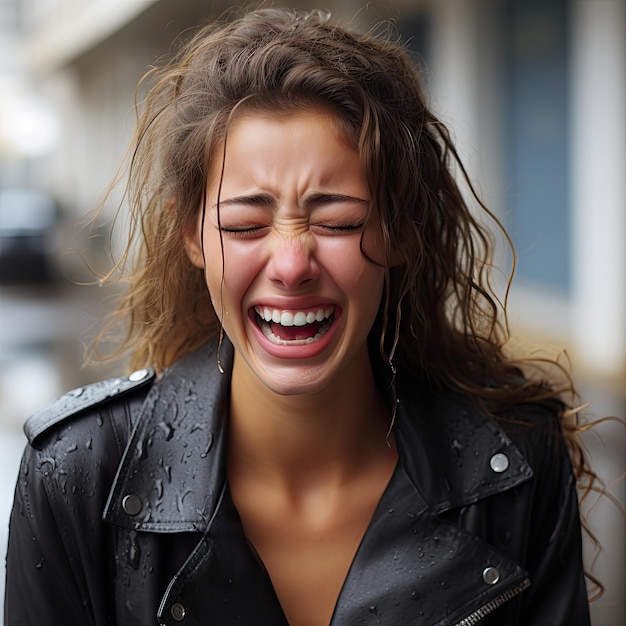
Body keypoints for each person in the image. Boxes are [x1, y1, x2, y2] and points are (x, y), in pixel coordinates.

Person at [4, 7, 593, 625]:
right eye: (245, 225)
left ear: (399, 230)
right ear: (194, 236)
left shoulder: (517, 467)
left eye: (337, 220)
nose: (291, 264)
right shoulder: (74, 475)